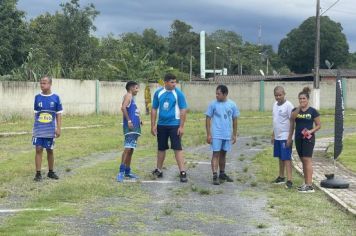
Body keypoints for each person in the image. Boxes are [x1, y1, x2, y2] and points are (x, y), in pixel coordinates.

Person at [151, 73, 188, 182]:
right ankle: (159, 170)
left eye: (175, 82)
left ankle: (182, 172)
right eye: (172, 82)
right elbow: (154, 109)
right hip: (161, 125)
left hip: (174, 125)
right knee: (161, 148)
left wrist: (181, 126)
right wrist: (153, 125)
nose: (174, 84)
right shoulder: (158, 93)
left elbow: (183, 110)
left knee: (177, 148)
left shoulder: (178, 94)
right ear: (165, 82)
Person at [287, 87, 321, 193]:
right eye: (300, 99)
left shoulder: (313, 111)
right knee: (303, 160)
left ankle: (310, 185)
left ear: (308, 99)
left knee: (307, 160)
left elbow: (319, 125)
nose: (302, 100)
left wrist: (311, 131)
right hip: (298, 137)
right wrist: (289, 138)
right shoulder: (295, 110)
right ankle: (306, 183)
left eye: (304, 99)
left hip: (308, 138)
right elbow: (292, 120)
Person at [205, 85, 239, 185]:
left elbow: (235, 119)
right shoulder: (213, 105)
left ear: (225, 94)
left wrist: (234, 134)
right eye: (216, 93)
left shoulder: (232, 105)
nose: (216, 95)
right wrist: (208, 134)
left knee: (223, 153)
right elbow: (208, 118)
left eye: (218, 94)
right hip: (216, 134)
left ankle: (222, 174)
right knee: (216, 154)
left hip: (227, 134)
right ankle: (215, 175)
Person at [32, 76, 63, 181]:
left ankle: (51, 172)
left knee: (50, 150)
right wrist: (35, 130)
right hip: (39, 129)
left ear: (50, 84)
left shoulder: (56, 98)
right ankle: (38, 174)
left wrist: (58, 128)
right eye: (41, 83)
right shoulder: (37, 97)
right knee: (38, 149)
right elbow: (36, 114)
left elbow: (58, 114)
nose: (42, 85)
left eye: (44, 83)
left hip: (50, 130)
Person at [117, 81, 142, 182]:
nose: (138, 90)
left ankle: (127, 171)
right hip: (130, 128)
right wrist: (129, 120)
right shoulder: (128, 96)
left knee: (131, 149)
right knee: (127, 148)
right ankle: (121, 172)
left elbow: (132, 111)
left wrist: (139, 120)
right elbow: (123, 108)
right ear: (131, 88)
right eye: (136, 88)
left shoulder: (132, 97)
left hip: (135, 128)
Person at [271, 86, 294, 189]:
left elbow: (292, 122)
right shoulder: (275, 105)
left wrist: (290, 137)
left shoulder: (288, 105)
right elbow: (275, 121)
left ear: (284, 94)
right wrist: (273, 135)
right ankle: (281, 176)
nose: (278, 97)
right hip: (277, 136)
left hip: (285, 136)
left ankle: (289, 180)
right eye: (276, 95)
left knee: (287, 158)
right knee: (280, 157)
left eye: (280, 95)